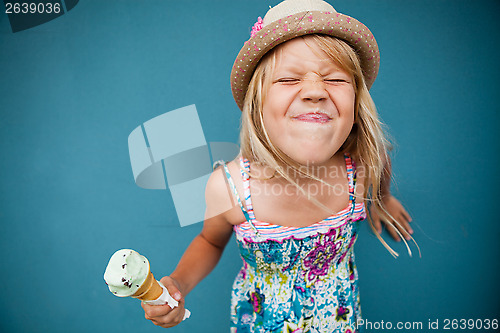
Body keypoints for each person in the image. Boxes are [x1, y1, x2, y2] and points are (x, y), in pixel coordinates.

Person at [142, 0, 415, 331]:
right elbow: (211, 241)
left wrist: (382, 200)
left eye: (335, 79)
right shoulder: (230, 187)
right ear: (258, 103)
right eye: (288, 79)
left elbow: (380, 161)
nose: (315, 91)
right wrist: (179, 284)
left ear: (356, 102)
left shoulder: (362, 167)